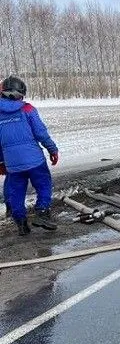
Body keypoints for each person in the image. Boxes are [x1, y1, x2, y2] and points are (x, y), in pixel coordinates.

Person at [0, 76, 59, 235]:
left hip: (13, 164)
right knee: (43, 184)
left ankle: (21, 223)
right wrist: (52, 150)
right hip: (34, 160)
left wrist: (1, 161)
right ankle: (42, 212)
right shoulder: (27, 109)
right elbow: (41, 133)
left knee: (16, 191)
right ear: (18, 93)